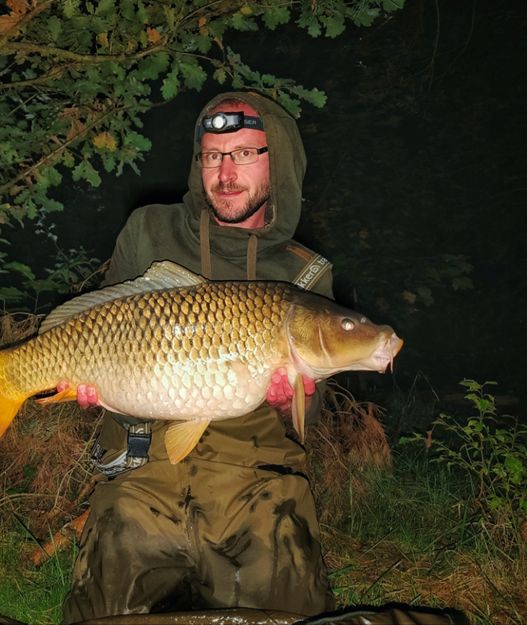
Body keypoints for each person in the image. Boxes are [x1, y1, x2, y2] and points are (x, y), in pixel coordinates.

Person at [60, 91, 337, 624]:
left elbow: (312, 415)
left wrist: (292, 402)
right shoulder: (149, 231)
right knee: (109, 608)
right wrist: (97, 390)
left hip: (257, 478)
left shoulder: (305, 276)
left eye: (244, 154)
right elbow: (95, 331)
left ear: (278, 163)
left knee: (286, 608)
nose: (226, 173)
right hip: (144, 470)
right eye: (213, 156)